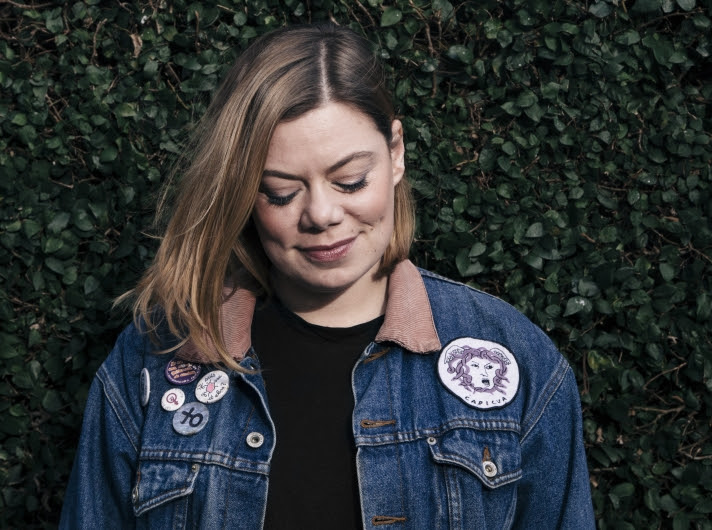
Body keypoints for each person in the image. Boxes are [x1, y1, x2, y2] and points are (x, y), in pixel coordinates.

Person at [60, 24, 595, 529]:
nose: (321, 214)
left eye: (350, 180)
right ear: (243, 191)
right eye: (281, 192)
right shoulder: (153, 358)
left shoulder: (515, 358)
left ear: (396, 153)